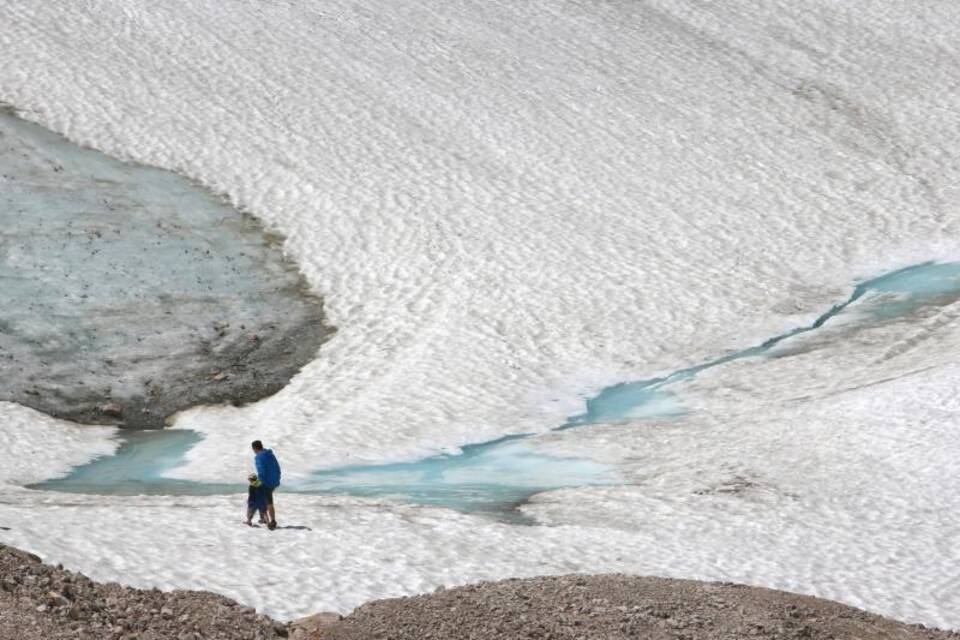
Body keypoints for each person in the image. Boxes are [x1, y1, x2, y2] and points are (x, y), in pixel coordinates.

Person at [251, 440, 281, 530]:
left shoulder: (258, 457)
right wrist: (277, 478)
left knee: (266, 501)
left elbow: (262, 472)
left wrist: (259, 484)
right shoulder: (270, 454)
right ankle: (266, 519)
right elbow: (277, 467)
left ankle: (270, 521)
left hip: (266, 482)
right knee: (266, 499)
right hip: (275, 481)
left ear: (255, 448)